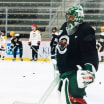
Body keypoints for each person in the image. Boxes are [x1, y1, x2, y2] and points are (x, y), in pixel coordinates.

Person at [55, 5, 99, 104]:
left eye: (71, 17)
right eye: (68, 17)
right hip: (64, 69)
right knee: (63, 94)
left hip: (76, 69)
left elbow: (89, 51)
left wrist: (89, 66)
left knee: (75, 93)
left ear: (78, 16)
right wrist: (57, 59)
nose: (69, 19)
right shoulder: (64, 27)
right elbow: (60, 45)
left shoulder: (85, 29)